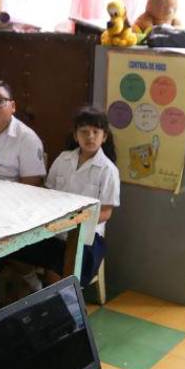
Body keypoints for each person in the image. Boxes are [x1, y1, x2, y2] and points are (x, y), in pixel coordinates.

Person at [39, 106, 120, 288]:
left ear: (104, 136)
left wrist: (75, 224)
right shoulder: (63, 159)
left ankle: (63, 309)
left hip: (88, 237)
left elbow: (106, 213)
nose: (90, 136)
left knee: (61, 269)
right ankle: (39, 297)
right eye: (84, 131)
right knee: (22, 254)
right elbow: (48, 193)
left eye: (95, 131)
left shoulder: (108, 170)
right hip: (56, 230)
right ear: (76, 136)